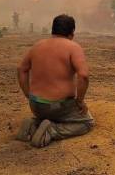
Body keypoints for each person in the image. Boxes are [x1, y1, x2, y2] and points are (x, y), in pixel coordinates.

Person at [16, 14, 93, 148]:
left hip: (35, 105)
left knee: (48, 115)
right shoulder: (73, 47)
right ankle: (52, 131)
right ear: (72, 32)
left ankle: (34, 125)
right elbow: (84, 75)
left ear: (53, 30)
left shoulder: (37, 46)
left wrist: (28, 94)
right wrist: (80, 101)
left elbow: (21, 69)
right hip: (59, 107)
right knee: (86, 123)